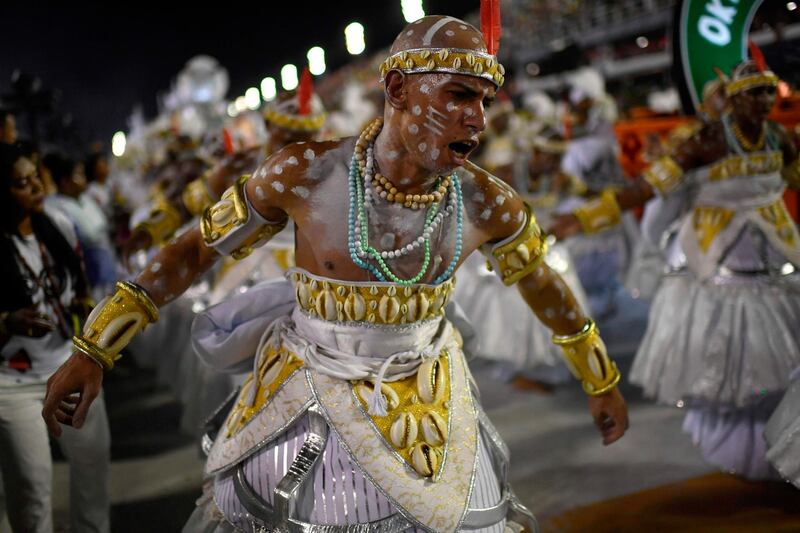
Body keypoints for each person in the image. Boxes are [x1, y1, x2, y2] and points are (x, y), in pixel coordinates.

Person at [43, 15, 627, 531]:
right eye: (456, 96)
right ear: (396, 89)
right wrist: (95, 348)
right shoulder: (305, 173)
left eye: (483, 101)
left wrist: (600, 380)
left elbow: (541, 282)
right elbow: (194, 250)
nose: (476, 119)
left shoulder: (486, 201)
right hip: (308, 396)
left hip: (432, 404)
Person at [551, 59, 800, 479]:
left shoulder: (778, 137)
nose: (764, 102)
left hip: (778, 254)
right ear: (734, 101)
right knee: (735, 367)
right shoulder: (703, 141)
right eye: (754, 94)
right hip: (717, 261)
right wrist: (585, 218)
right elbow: (646, 188)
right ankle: (744, 451)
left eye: (767, 93)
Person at [0, 143, 110, 532]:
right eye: (20, 183)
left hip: (68, 366)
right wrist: (6, 322)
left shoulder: (57, 224)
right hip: (14, 384)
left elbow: (77, 282)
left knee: (93, 468)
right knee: (31, 493)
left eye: (36, 178)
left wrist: (83, 303)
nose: (35, 187)